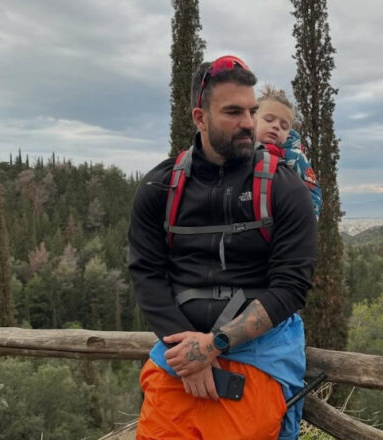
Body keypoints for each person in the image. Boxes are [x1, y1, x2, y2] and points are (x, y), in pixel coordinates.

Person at [128, 55, 317, 440]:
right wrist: (191, 353)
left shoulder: (285, 188)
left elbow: (291, 286)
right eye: (233, 112)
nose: (248, 122)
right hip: (179, 359)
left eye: (251, 111)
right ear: (200, 118)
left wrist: (214, 345)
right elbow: (147, 273)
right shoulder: (159, 188)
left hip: (258, 356)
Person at [255, 85, 322, 219]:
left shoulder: (294, 157)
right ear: (252, 119)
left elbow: (313, 194)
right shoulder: (241, 151)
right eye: (269, 120)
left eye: (284, 126)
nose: (276, 126)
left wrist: (304, 223)